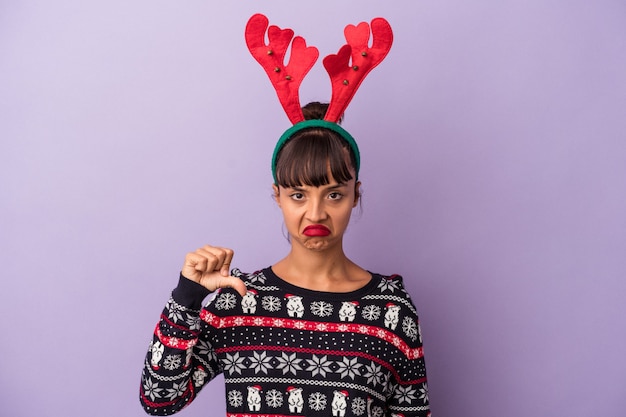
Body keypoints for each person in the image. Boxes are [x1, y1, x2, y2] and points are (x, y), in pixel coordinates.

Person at [140, 15, 430, 417]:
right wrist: (186, 298)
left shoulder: (391, 309)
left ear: (355, 195)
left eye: (334, 194)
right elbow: (158, 398)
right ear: (277, 196)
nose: (316, 212)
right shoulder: (239, 301)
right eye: (298, 194)